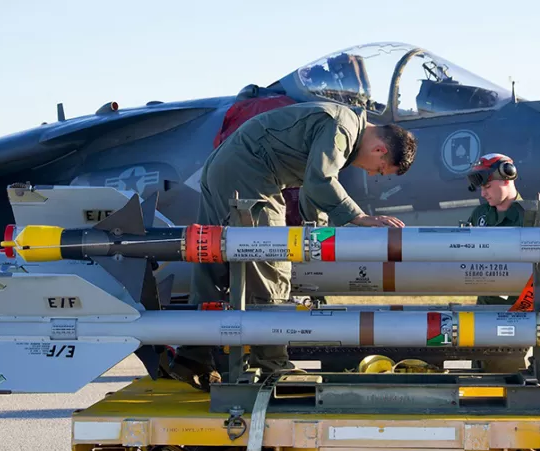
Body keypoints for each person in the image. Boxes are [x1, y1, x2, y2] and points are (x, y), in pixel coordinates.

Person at [170, 101, 417, 390]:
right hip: (250, 177)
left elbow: (314, 190)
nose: (373, 174)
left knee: (216, 263)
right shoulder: (343, 128)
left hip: (229, 169)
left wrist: (318, 233)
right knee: (271, 262)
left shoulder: (343, 126)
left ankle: (192, 358)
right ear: (380, 150)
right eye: (380, 170)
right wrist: (359, 217)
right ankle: (272, 365)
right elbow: (320, 180)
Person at [465, 153, 532, 373]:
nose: (483, 193)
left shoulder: (531, 217)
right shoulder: (480, 215)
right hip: (484, 309)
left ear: (507, 176)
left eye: (487, 186)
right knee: (479, 373)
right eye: (481, 188)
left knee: (508, 373)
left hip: (516, 313)